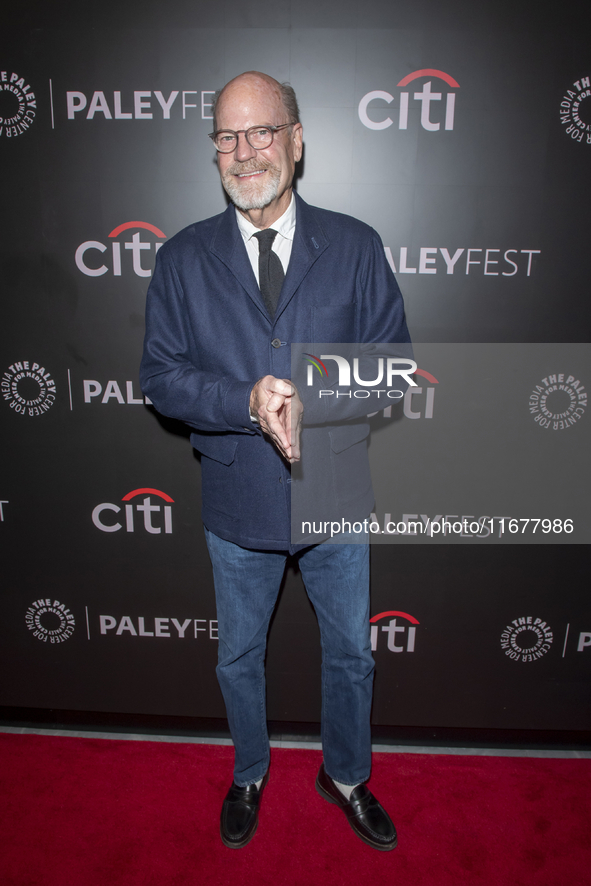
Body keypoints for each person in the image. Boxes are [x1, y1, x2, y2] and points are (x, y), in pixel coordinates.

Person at [140, 71, 411, 851]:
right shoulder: (183, 257)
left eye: (262, 131)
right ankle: (250, 770)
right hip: (235, 502)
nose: (244, 151)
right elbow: (158, 376)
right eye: (227, 136)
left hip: (332, 490)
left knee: (352, 658)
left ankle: (347, 776)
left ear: (297, 140)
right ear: (214, 151)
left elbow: (393, 366)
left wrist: (307, 397)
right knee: (236, 660)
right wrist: (244, 399)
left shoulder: (354, 243)